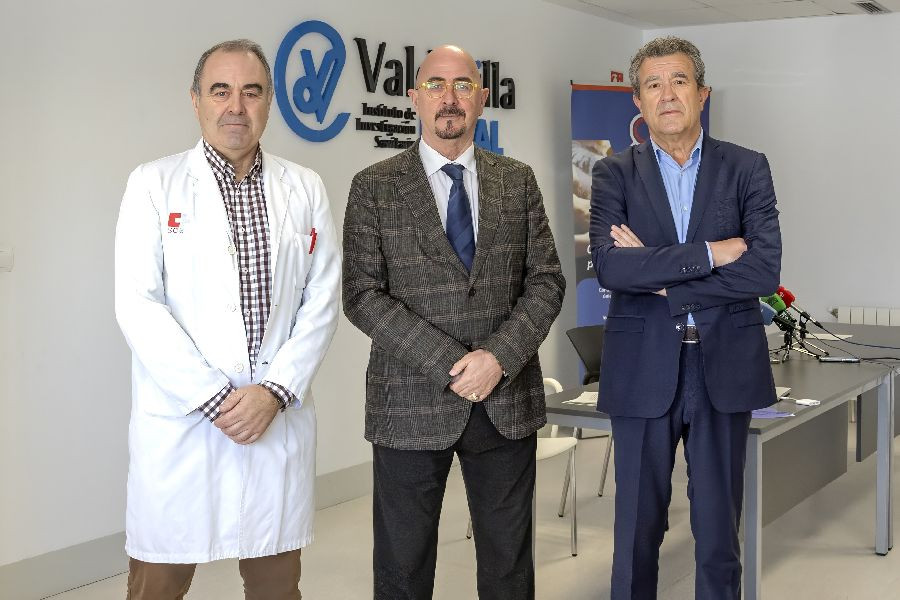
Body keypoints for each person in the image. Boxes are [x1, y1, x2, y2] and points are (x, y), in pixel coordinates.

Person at [114, 39, 340, 599]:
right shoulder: (153, 184)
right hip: (184, 424)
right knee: (157, 587)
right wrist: (216, 398)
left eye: (251, 91)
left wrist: (275, 391)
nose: (236, 106)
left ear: (269, 103)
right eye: (220, 91)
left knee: (276, 587)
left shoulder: (304, 187)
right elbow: (138, 305)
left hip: (274, 416)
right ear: (196, 100)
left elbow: (322, 299)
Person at [342, 44, 565, 600]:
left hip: (505, 402)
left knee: (509, 570)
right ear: (414, 98)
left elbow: (546, 282)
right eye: (436, 85)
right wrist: (453, 364)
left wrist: (498, 358)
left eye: (463, 85)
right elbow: (362, 295)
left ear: (481, 98)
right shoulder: (373, 186)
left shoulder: (517, 181)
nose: (449, 97)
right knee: (402, 570)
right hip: (409, 405)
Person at [589, 36, 781, 599]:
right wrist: (711, 253)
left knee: (719, 533)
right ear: (638, 102)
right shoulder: (612, 174)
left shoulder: (746, 167)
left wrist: (660, 277)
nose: (667, 94)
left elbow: (763, 270)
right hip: (640, 366)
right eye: (653, 84)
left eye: (679, 81)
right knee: (636, 532)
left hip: (724, 367)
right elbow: (612, 269)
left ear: (702, 93)